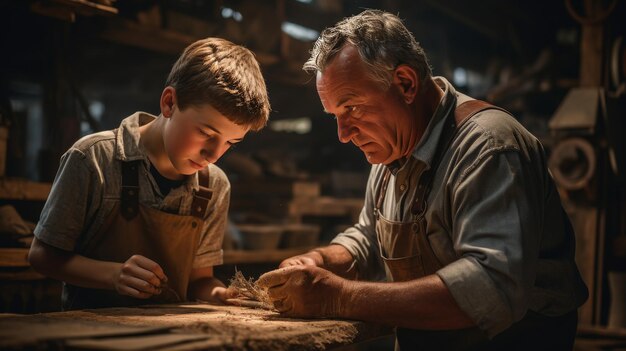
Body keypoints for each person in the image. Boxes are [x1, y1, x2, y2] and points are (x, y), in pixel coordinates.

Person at [257, 10, 588, 350]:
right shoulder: (392, 152)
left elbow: (490, 287)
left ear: (406, 84)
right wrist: (322, 260)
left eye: (352, 108)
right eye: (335, 116)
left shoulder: (487, 147)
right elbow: (370, 236)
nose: (343, 134)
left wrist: (339, 297)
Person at [28, 37, 270, 310]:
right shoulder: (92, 158)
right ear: (169, 103)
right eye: (205, 133)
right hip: (90, 332)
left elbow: (199, 280)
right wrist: (114, 275)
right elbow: (42, 255)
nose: (214, 154)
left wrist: (219, 294)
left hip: (173, 336)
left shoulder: (213, 184)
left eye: (230, 143)